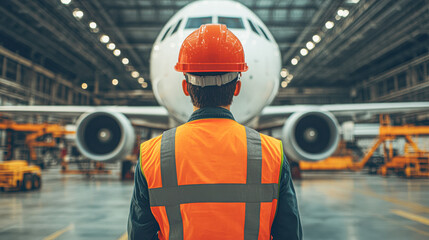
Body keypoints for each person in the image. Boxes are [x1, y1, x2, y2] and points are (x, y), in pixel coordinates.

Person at [128, 24, 302, 240]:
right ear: (237, 87)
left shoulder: (151, 154)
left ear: (185, 87)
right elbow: (289, 234)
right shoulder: (273, 153)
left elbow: (139, 235)